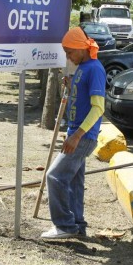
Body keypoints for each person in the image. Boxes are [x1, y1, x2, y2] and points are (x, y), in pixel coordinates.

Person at [41, 27, 106, 239]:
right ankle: (78, 225)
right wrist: (71, 87)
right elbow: (81, 97)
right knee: (75, 183)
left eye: (70, 52)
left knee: (55, 176)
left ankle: (64, 227)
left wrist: (77, 135)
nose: (68, 56)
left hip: (83, 136)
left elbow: (98, 108)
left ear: (81, 48)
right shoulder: (82, 67)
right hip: (75, 133)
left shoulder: (95, 69)